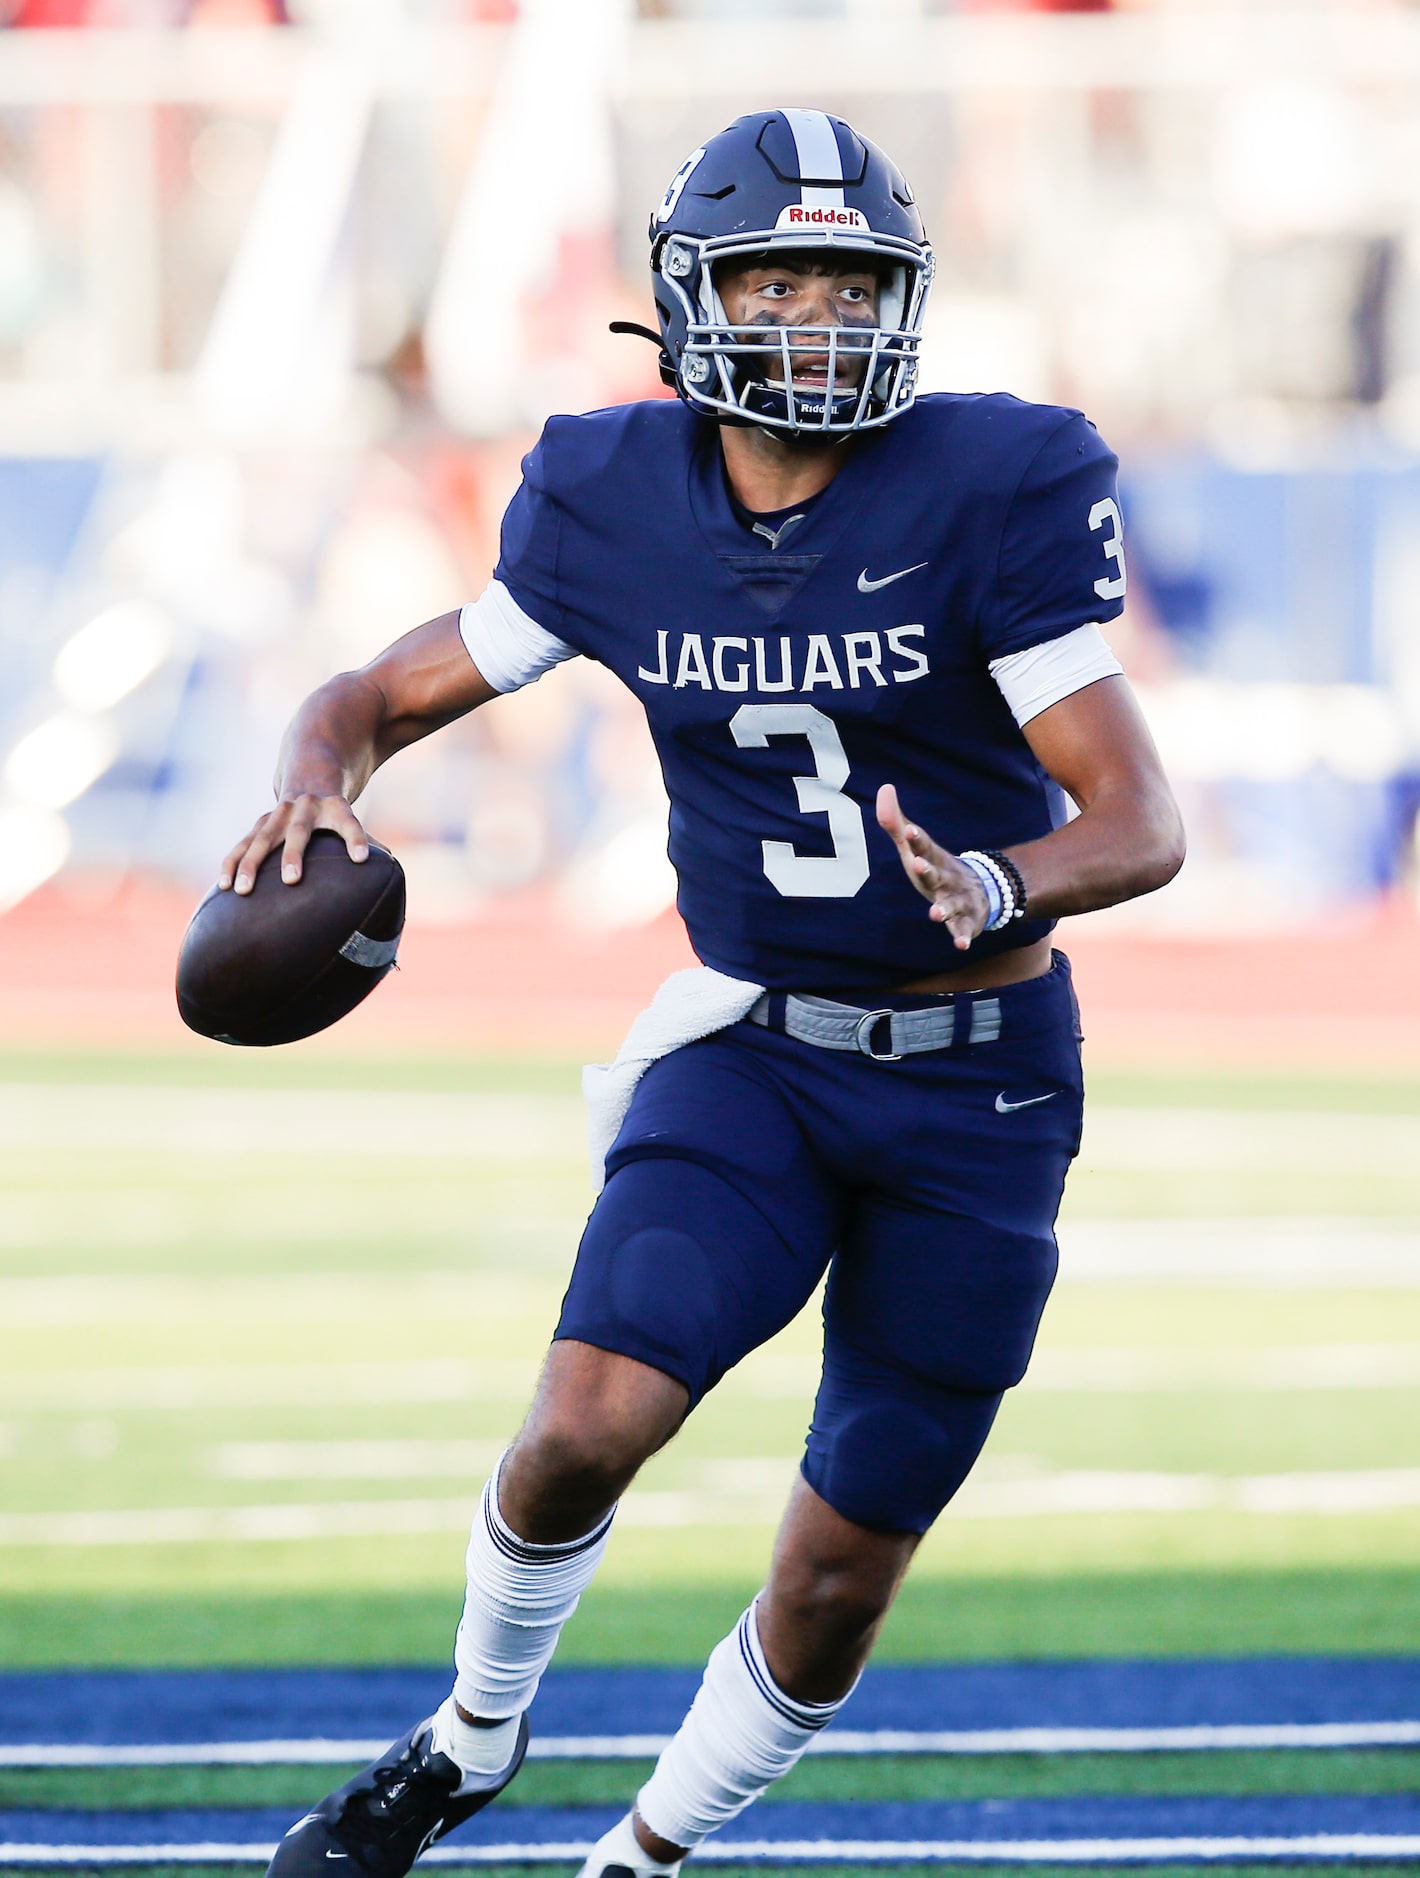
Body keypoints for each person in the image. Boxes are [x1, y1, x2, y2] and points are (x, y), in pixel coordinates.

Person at [228, 109, 1184, 1878]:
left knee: (836, 1573)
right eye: (775, 279)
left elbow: (1138, 818)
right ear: (687, 297)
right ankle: (465, 1736)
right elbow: (374, 691)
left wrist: (995, 880)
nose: (817, 318)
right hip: (753, 1045)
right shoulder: (614, 497)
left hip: (980, 1084)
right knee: (585, 1417)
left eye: (849, 283)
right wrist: (317, 768)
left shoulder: (995, 481)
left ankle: (642, 1858)